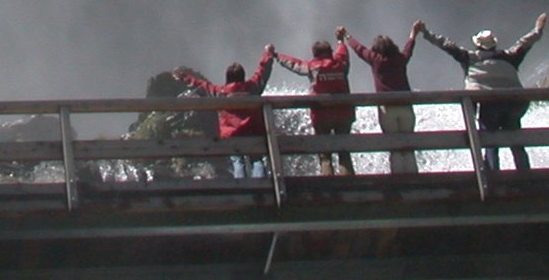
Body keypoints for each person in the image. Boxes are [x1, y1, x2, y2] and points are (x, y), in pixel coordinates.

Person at [420, 13, 547, 172]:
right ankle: (526, 176)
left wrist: (426, 33)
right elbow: (526, 42)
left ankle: (493, 177)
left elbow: (447, 45)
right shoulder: (510, 56)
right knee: (517, 142)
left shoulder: (469, 58)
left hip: (489, 105)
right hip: (514, 105)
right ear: (494, 44)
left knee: (490, 144)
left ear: (478, 45)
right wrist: (538, 29)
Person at [174, 47, 278, 178]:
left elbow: (202, 85)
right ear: (243, 76)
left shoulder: (221, 93)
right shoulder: (253, 87)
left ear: (227, 78)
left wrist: (184, 76)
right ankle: (261, 185)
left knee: (237, 161)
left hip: (233, 134)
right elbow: (262, 71)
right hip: (253, 132)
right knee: (257, 160)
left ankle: (241, 188)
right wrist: (268, 53)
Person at [345, 22, 423, 174]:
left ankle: (398, 179)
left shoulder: (375, 60)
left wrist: (347, 36)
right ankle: (413, 177)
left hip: (387, 109)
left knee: (393, 147)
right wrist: (414, 33)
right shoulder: (400, 59)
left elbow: (359, 49)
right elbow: (409, 49)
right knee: (409, 145)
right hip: (405, 107)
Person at [275, 28, 355, 175]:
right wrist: (340, 41)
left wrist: (276, 55)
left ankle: (329, 187)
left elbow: (295, 64)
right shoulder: (340, 64)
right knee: (344, 153)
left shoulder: (312, 67)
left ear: (315, 54)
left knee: (325, 156)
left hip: (321, 116)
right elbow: (343, 53)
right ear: (330, 51)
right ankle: (349, 184)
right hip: (344, 114)